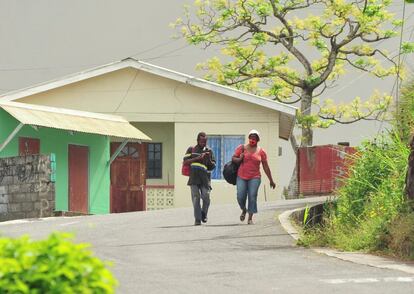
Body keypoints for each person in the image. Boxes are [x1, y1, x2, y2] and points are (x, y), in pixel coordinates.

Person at [232, 129, 276, 224]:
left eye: (254, 138)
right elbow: (233, 158)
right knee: (240, 196)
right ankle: (244, 209)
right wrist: (240, 158)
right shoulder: (242, 148)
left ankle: (250, 218)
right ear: (248, 138)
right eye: (251, 137)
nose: (252, 140)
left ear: (258, 139)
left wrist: (271, 180)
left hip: (255, 177)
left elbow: (266, 167)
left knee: (252, 196)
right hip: (241, 176)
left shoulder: (261, 152)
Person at [183, 132, 216, 226]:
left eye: (205, 141)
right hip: (193, 178)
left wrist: (208, 158)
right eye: (202, 141)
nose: (203, 143)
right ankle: (197, 219)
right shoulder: (191, 149)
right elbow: (185, 162)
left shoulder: (209, 151)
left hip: (205, 178)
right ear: (198, 140)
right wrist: (198, 158)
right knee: (196, 198)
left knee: (206, 196)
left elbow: (212, 166)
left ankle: (204, 213)